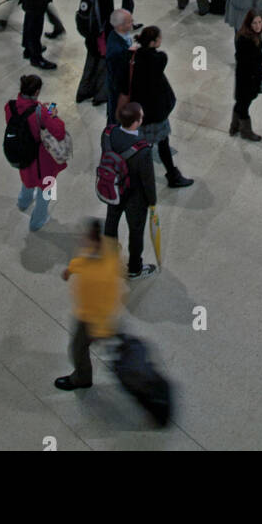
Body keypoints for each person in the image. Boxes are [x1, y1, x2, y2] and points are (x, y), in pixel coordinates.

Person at [54, 220, 124, 391]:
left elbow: (108, 301)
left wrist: (99, 329)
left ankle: (82, 379)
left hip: (92, 319)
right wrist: (70, 270)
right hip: (88, 314)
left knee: (78, 349)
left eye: (86, 238)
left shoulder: (103, 273)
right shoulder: (99, 250)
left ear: (94, 240)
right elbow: (83, 261)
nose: (82, 240)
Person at [127, 27, 193, 188]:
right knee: (162, 142)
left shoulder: (134, 57)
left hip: (140, 108)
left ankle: (135, 173)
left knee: (141, 142)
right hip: (155, 110)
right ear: (153, 42)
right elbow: (162, 56)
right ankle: (172, 175)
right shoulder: (158, 59)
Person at [5, 74, 68, 232]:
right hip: (42, 160)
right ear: (37, 92)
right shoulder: (41, 112)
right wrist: (52, 114)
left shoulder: (10, 106)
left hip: (22, 153)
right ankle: (38, 220)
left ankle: (23, 202)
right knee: (46, 188)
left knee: (27, 180)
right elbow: (59, 132)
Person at [102, 102, 158, 280]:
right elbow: (148, 180)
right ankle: (134, 268)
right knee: (136, 231)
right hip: (134, 197)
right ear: (136, 122)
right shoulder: (142, 150)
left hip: (113, 188)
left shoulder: (108, 133)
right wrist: (152, 201)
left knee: (111, 221)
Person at [76, 0, 117, 104]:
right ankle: (100, 95)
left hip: (89, 35)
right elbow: (108, 22)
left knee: (90, 63)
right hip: (102, 38)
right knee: (103, 66)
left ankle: (83, 91)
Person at [232, 9, 262, 141]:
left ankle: (234, 126)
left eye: (260, 22)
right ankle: (245, 131)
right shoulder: (245, 40)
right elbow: (245, 60)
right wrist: (260, 66)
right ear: (249, 24)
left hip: (249, 78)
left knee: (241, 102)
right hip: (247, 79)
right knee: (244, 105)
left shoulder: (255, 36)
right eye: (254, 23)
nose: (258, 25)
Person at [105, 9, 136, 120]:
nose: (132, 22)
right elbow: (118, 77)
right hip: (118, 90)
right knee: (116, 115)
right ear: (120, 26)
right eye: (129, 21)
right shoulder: (116, 50)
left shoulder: (119, 35)